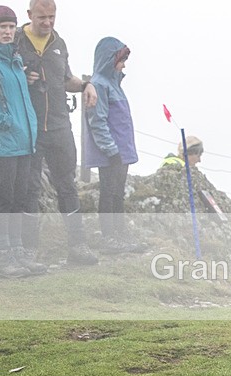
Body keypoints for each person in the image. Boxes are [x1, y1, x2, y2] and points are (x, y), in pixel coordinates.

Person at [16, 0, 98, 266]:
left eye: (52, 17)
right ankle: (28, 251)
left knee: (67, 186)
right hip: (29, 128)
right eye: (42, 18)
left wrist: (86, 84)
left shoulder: (59, 43)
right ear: (29, 15)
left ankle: (78, 246)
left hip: (60, 126)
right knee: (29, 189)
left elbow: (66, 79)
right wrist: (20, 76)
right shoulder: (14, 40)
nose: (48, 22)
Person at [0, 5, 42, 277]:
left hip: (22, 143)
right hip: (0, 145)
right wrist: (5, 121)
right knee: (3, 200)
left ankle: (18, 253)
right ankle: (4, 258)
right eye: (1, 28)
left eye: (10, 27)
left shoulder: (15, 59)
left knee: (19, 198)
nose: (7, 32)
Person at [82, 36, 139, 254]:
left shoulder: (113, 83)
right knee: (109, 193)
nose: (124, 65)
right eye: (121, 60)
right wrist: (111, 150)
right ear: (109, 59)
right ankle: (109, 238)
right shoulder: (99, 84)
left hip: (119, 152)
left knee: (117, 193)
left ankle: (120, 235)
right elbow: (97, 121)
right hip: (111, 153)